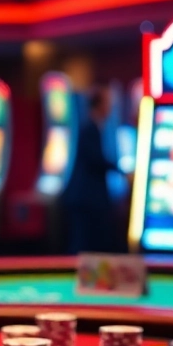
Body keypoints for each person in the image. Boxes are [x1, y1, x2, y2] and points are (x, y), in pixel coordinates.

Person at [61, 86, 121, 253]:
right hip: (86, 198)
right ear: (99, 106)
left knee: (89, 244)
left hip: (87, 198)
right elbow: (95, 160)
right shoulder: (90, 128)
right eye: (107, 104)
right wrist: (121, 170)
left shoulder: (94, 127)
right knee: (83, 246)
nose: (109, 109)